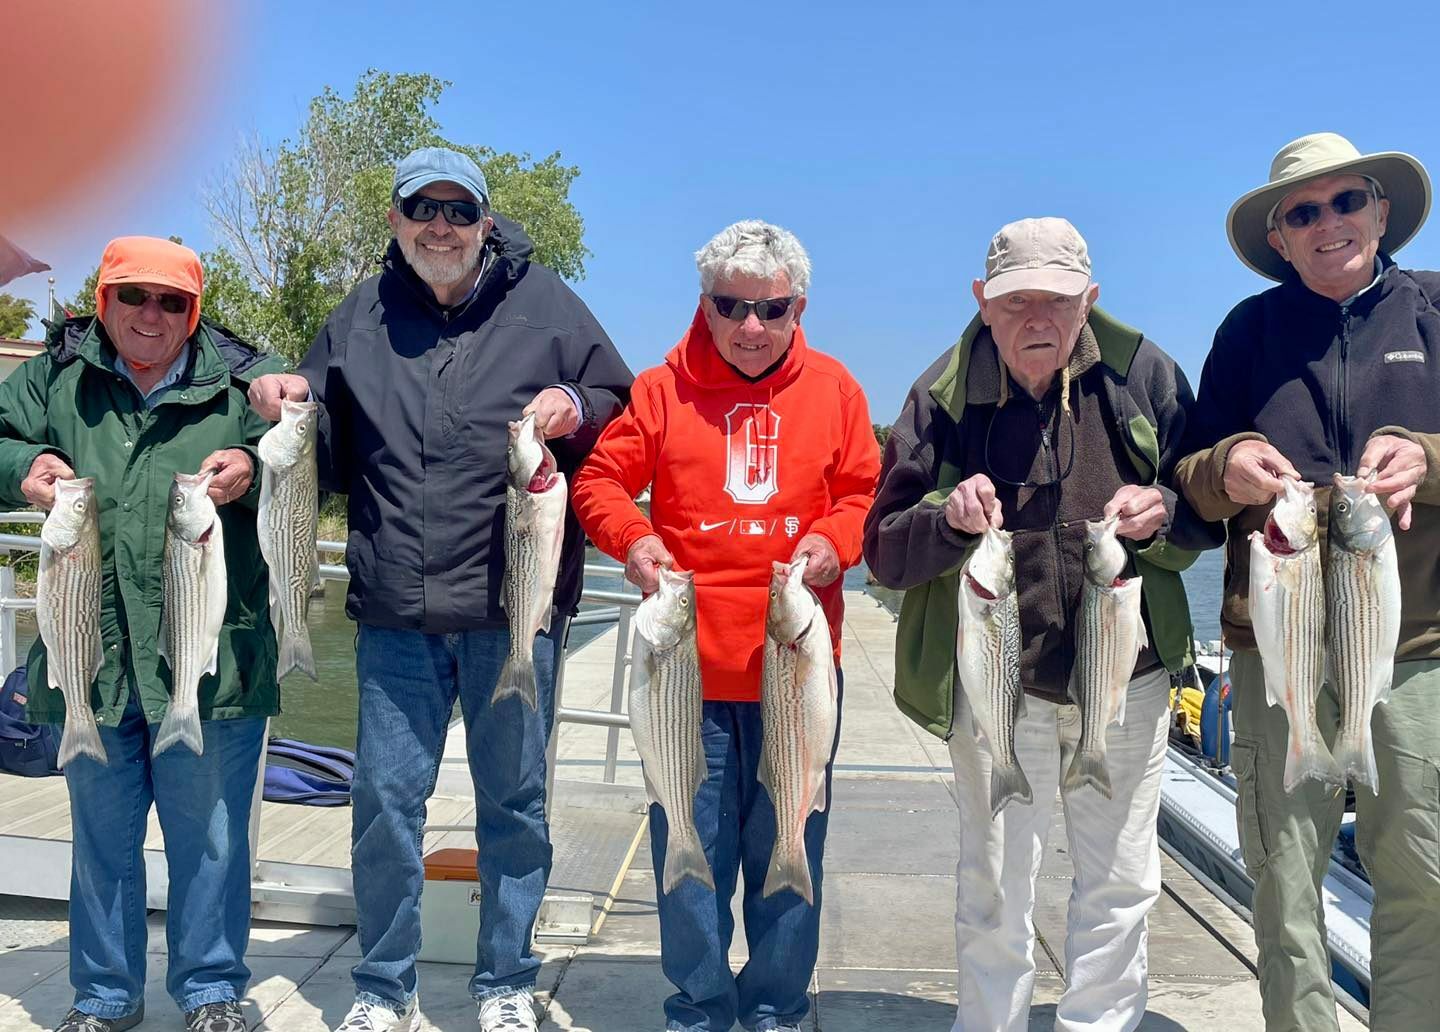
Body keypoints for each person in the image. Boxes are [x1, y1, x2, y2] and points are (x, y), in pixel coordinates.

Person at [248, 146, 632, 1032]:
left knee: (516, 806)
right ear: (396, 220)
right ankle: (383, 990)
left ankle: (506, 984)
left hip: (513, 610)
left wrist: (574, 402)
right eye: (424, 208)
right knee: (384, 806)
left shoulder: (547, 305)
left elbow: (620, 394)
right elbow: (318, 402)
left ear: (486, 223)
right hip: (395, 612)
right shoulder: (363, 313)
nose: (442, 227)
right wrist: (287, 388)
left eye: (461, 212)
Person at [864, 217, 1216, 1032]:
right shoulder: (940, 394)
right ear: (983, 303)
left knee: (1123, 880)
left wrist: (1163, 508)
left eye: (1056, 301)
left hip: (1125, 682)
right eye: (1017, 300)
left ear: (1088, 301)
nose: (1037, 320)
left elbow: (1206, 512)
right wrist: (946, 521)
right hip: (999, 690)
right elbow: (882, 551)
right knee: (993, 883)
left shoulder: (1146, 376)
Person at [570, 219, 879, 1032]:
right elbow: (599, 481)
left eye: (771, 309)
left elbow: (864, 495)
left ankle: (776, 1009)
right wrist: (635, 542)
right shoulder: (660, 390)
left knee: (790, 849)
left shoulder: (838, 391)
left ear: (798, 307)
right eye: (730, 305)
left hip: (798, 672)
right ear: (703, 305)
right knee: (691, 858)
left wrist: (832, 541)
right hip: (687, 680)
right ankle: (700, 1010)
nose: (751, 326)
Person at [1175, 132, 1440, 1032]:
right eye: (1303, 212)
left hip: (1414, 654)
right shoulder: (1247, 332)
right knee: (1284, 884)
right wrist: (1230, 462)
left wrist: (1429, 459)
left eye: (1347, 201)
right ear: (1279, 238)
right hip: (1274, 652)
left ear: (1383, 210)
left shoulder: (1436, 311)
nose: (1329, 223)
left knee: (1426, 883)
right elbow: (1189, 468)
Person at [0, 236, 283, 1032]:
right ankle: (103, 998)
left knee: (213, 843)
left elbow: (308, 449)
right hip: (90, 660)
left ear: (194, 314)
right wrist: (20, 465)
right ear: (102, 301)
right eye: (133, 296)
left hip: (210, 660)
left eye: (171, 302)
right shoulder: (54, 377)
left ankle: (212, 993)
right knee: (102, 844)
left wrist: (256, 465)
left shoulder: (240, 386)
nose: (150, 314)